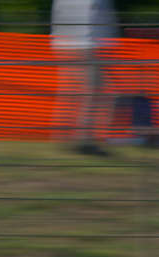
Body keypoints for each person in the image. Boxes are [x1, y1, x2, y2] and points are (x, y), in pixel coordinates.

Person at [52, 0, 118, 156]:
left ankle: (62, 138)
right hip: (87, 44)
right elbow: (100, 17)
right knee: (97, 92)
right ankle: (85, 141)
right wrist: (107, 45)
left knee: (71, 92)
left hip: (64, 42)